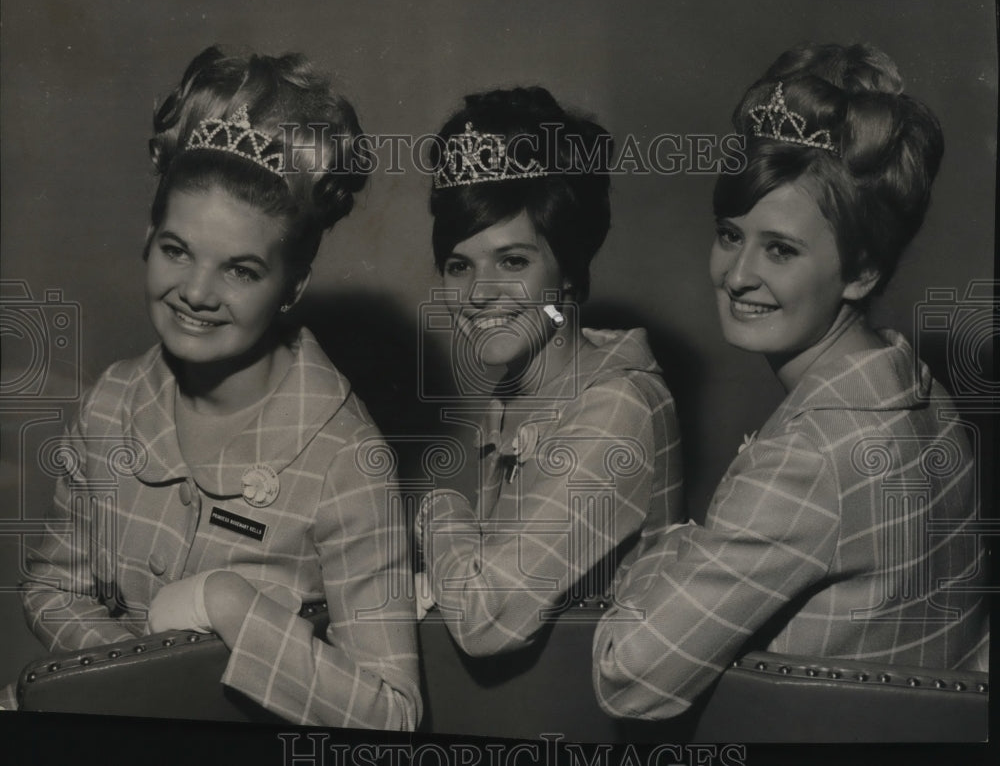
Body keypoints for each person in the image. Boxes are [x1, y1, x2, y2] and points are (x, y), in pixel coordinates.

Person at [8, 46, 420, 729]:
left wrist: (231, 605)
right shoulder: (112, 402)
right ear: (149, 237)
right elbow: (53, 586)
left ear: (292, 285)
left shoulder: (348, 462)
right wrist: (136, 677)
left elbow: (394, 714)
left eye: (241, 270)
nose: (196, 292)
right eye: (178, 250)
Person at [592, 42, 989, 721]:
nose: (737, 275)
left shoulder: (805, 462)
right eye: (729, 235)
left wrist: (663, 547)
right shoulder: (926, 396)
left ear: (862, 271)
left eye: (780, 249)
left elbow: (625, 677)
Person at [414, 87, 684, 656]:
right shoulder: (517, 390)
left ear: (568, 272)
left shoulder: (614, 407)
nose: (480, 293)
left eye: (513, 261)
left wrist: (438, 510)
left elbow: (485, 618)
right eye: (459, 266)